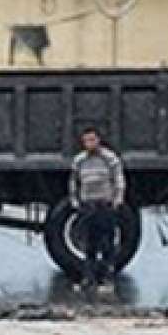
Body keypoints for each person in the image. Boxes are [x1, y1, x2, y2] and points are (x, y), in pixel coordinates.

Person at [68, 125, 125, 292]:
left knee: (107, 243)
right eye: (86, 140)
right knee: (89, 244)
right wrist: (75, 201)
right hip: (87, 206)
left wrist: (117, 199)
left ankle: (107, 280)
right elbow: (74, 182)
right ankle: (89, 279)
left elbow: (118, 179)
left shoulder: (110, 158)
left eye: (92, 139)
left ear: (98, 140)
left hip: (104, 205)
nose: (89, 143)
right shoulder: (79, 160)